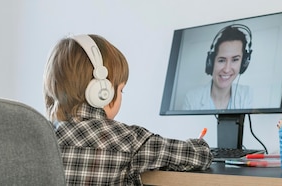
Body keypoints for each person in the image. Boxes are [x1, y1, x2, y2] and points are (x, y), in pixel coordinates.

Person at [43, 34, 213, 185]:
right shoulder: (129, 140)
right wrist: (199, 144)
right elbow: (199, 156)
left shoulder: (38, 138)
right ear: (102, 92)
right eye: (121, 89)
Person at [183, 24, 253, 110]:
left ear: (243, 63)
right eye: (221, 60)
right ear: (211, 63)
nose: (227, 70)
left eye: (235, 60)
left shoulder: (246, 94)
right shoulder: (191, 99)